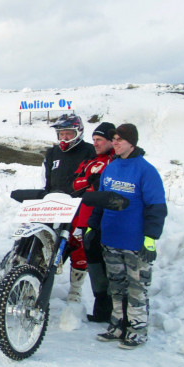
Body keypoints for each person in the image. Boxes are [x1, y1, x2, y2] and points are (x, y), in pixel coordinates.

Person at [87, 124, 167, 349]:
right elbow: (101, 201)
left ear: (132, 142)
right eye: (114, 139)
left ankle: (137, 329)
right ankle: (118, 325)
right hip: (111, 239)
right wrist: (93, 227)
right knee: (116, 287)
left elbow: (156, 207)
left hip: (135, 243)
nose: (116, 142)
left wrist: (150, 238)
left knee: (136, 287)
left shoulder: (145, 170)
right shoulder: (111, 168)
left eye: (120, 139)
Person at [42, 114, 96, 303]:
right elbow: (45, 179)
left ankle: (76, 289)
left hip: (79, 206)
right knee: (44, 241)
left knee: (78, 246)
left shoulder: (90, 151)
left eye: (68, 134)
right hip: (53, 204)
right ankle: (39, 280)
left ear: (78, 132)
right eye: (61, 134)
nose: (64, 138)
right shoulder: (52, 153)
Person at [68, 121, 116, 314]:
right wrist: (88, 180)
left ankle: (115, 311)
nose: (95, 144)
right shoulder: (91, 161)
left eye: (100, 140)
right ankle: (101, 309)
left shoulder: (116, 161)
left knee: (109, 266)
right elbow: (75, 183)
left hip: (108, 220)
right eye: (94, 139)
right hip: (84, 217)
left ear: (111, 141)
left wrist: (93, 183)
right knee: (91, 260)